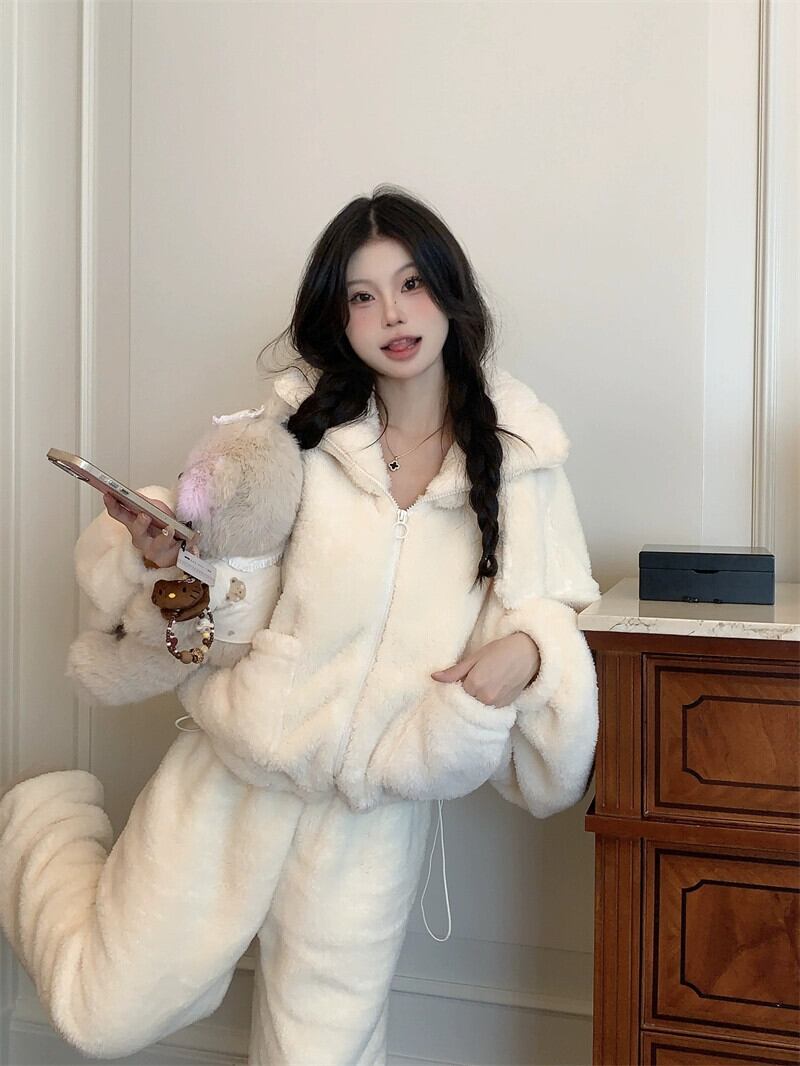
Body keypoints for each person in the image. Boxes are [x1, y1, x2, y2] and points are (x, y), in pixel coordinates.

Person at [0, 185, 602, 1065]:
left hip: (370, 818)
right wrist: (172, 564)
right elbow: (232, 623)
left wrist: (530, 651)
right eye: (363, 295)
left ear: (450, 292)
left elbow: (560, 614)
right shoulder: (290, 438)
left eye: (411, 284)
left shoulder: (523, 464)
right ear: (339, 317)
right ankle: (40, 820)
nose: (392, 314)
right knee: (100, 1016)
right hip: (235, 774)